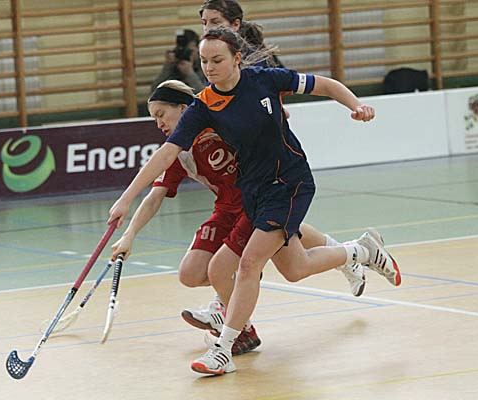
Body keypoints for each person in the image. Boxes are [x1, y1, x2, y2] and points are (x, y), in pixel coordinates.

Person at [110, 26, 402, 375]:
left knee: (249, 265)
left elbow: (324, 85)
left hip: (288, 182)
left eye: (217, 60)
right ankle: (360, 251)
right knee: (286, 269)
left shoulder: (265, 79)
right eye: (203, 61)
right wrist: (126, 199)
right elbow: (165, 154)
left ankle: (224, 349)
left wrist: (356, 105)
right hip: (253, 191)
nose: (209, 68)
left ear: (236, 58)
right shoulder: (203, 106)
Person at [111, 80, 366, 356]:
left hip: (257, 202)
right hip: (225, 210)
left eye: (161, 114)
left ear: (183, 108)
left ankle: (234, 320)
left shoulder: (217, 122)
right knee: (192, 273)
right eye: (154, 119)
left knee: (283, 265)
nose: (158, 123)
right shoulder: (178, 151)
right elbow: (155, 196)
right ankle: (348, 253)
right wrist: (129, 235)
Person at [199, 0, 284, 68]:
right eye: (204, 23)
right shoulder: (207, 53)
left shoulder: (255, 59)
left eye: (215, 22)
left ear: (236, 24)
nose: (207, 28)